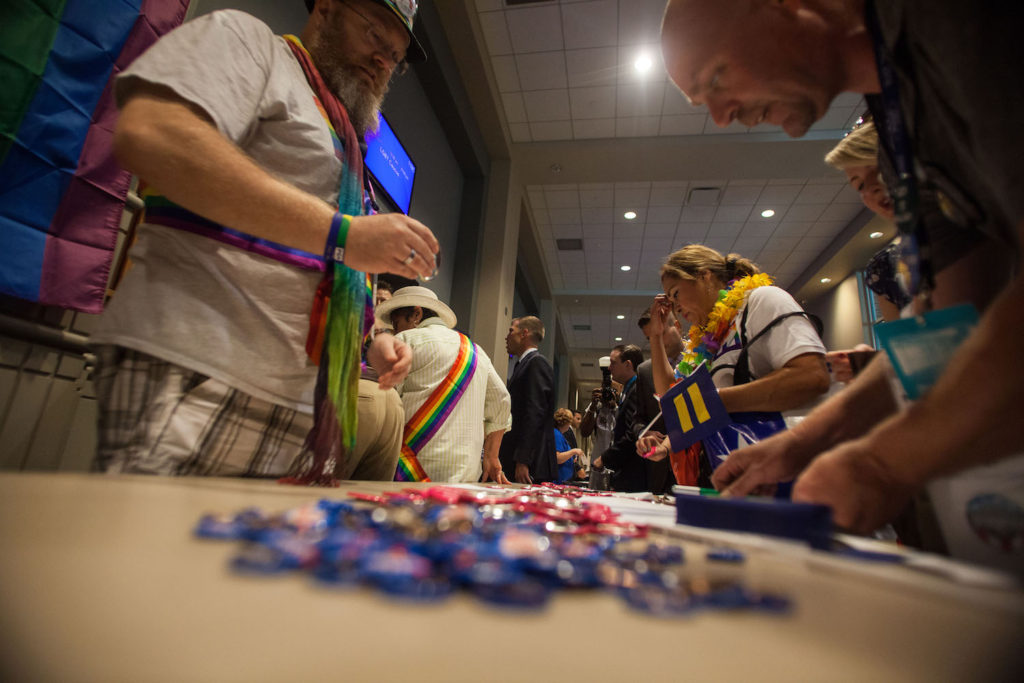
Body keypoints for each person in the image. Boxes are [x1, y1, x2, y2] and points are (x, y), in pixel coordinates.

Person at [660, 0, 1024, 541]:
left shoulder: (957, 26)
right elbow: (945, 320)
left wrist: (882, 462)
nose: (720, 116)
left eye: (717, 76)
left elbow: (810, 375)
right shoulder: (899, 122)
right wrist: (805, 444)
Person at [91, 0, 439, 477]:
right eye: (375, 36)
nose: (383, 61)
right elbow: (152, 132)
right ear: (326, 8)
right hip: (195, 374)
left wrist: (373, 340)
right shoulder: (250, 43)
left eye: (394, 56)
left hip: (303, 411)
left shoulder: (349, 148)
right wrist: (342, 232)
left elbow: (322, 267)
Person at [636, 245, 830, 486]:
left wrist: (715, 401)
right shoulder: (704, 342)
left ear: (704, 276)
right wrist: (656, 336)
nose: (675, 307)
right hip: (744, 480)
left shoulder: (762, 300)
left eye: (676, 294)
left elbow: (812, 376)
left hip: (793, 473)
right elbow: (672, 398)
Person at [377, 286, 511, 483]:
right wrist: (491, 456)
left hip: (411, 471)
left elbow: (383, 403)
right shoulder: (476, 351)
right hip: (466, 476)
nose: (394, 330)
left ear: (416, 314)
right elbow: (502, 402)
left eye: (396, 323)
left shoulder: (404, 340)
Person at [499, 316, 557, 484]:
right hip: (521, 458)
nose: (507, 336)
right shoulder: (524, 364)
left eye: (511, 331)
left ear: (524, 333)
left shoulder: (536, 363)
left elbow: (534, 414)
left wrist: (523, 460)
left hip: (529, 463)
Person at [635, 307, 682, 494]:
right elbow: (638, 419)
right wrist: (643, 434)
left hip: (698, 464)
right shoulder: (645, 371)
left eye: (661, 333)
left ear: (677, 327)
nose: (657, 341)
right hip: (659, 469)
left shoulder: (702, 358)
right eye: (650, 338)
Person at [593, 344, 649, 493]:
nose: (609, 368)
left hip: (633, 472)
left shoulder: (637, 389)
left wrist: (605, 458)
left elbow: (632, 433)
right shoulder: (628, 390)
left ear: (628, 364)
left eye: (613, 363)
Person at [554, 408, 586, 484]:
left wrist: (571, 458)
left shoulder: (560, 435)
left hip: (562, 481)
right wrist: (573, 451)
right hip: (557, 481)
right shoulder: (556, 434)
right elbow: (557, 458)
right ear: (566, 422)